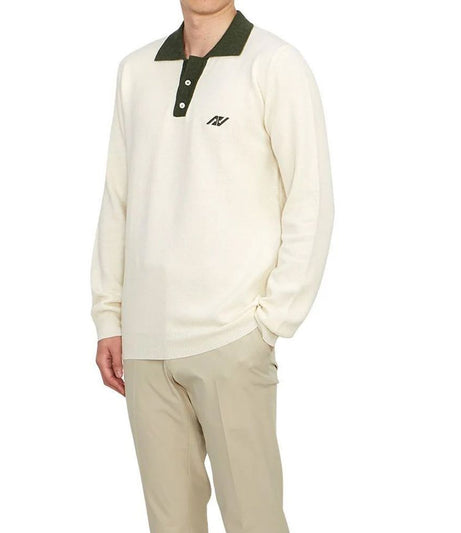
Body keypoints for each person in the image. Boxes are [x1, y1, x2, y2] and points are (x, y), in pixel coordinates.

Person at [90, 1, 334, 531]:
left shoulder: (274, 63)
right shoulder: (136, 71)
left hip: (231, 337)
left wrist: (271, 323)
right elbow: (118, 201)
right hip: (146, 344)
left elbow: (310, 198)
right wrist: (109, 316)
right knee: (170, 523)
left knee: (254, 520)